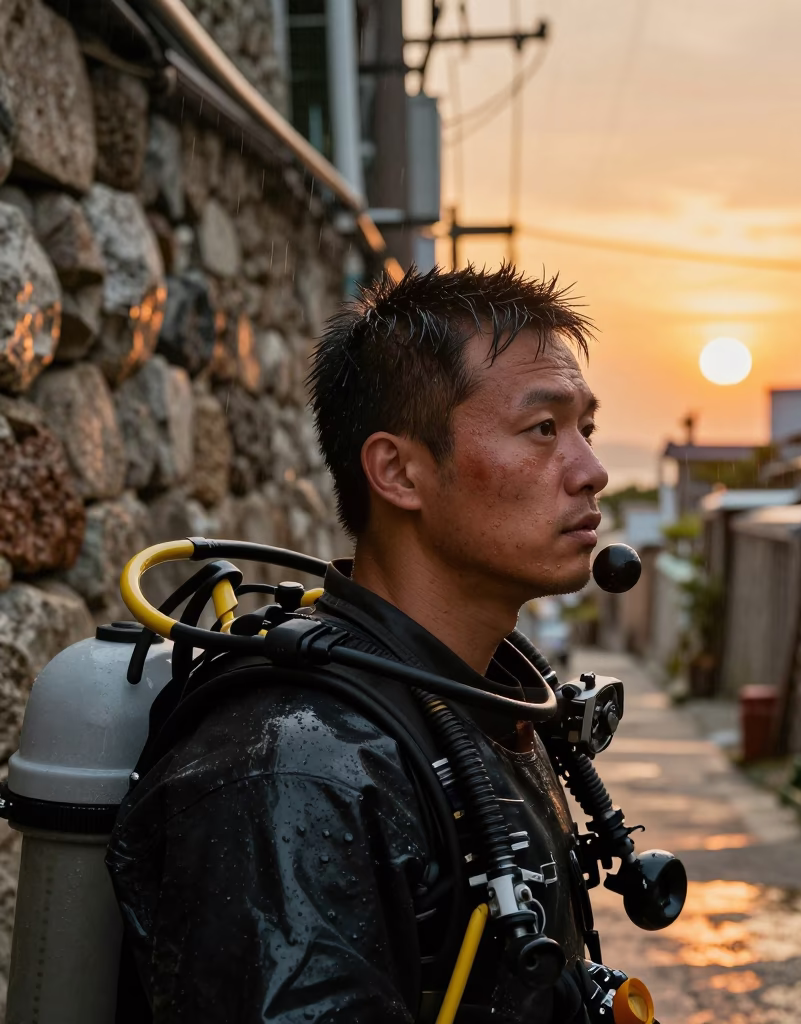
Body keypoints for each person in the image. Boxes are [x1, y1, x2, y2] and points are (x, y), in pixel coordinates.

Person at [108, 265, 615, 1023]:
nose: (591, 472)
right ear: (398, 471)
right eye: (543, 430)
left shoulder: (482, 702)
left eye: (587, 429)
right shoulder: (294, 771)